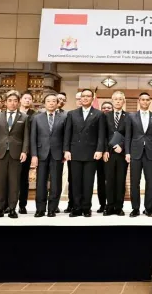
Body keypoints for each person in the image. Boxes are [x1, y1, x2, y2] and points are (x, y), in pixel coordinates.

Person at [64, 89, 106, 217]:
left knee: (88, 182)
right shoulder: (72, 114)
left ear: (92, 99)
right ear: (80, 98)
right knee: (75, 181)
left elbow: (101, 134)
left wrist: (100, 150)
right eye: (83, 96)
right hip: (75, 152)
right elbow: (67, 133)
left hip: (91, 152)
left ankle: (87, 208)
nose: (85, 98)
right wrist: (66, 150)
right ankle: (76, 208)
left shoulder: (99, 114)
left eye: (88, 96)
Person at [0, 91, 29, 219]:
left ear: (19, 102)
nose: (12, 103)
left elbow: (26, 137)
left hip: (16, 153)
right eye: (10, 100)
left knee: (14, 182)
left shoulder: (24, 117)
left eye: (15, 101)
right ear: (5, 102)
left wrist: (24, 151)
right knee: (0, 182)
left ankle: (12, 208)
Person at [125, 92, 152, 217]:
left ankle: (149, 209)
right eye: (143, 99)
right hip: (135, 152)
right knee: (134, 182)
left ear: (149, 101)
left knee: (150, 182)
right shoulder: (131, 116)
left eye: (147, 100)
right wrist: (127, 152)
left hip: (151, 153)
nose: (145, 102)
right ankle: (135, 208)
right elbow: (128, 136)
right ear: (139, 101)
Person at [30, 93, 67, 218]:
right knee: (41, 182)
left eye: (53, 101)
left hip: (57, 154)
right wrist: (34, 155)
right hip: (41, 154)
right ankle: (40, 209)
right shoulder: (37, 118)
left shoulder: (63, 117)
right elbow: (33, 137)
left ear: (57, 103)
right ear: (44, 103)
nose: (51, 103)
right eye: (48, 101)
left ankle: (52, 208)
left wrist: (65, 151)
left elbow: (66, 136)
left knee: (56, 182)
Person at [103, 92, 128, 216]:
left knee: (120, 180)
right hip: (109, 153)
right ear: (112, 101)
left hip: (122, 153)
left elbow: (130, 135)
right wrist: (104, 150)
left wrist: (122, 146)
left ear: (123, 101)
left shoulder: (129, 116)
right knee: (109, 180)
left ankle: (119, 207)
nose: (118, 101)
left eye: (120, 99)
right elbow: (102, 135)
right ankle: (109, 206)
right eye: (115, 99)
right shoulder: (105, 116)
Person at [17, 91, 36, 214]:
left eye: (29, 98)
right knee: (11, 178)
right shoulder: (14, 112)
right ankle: (8, 204)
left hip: (27, 150)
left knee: (24, 179)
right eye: (25, 98)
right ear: (20, 100)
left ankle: (22, 204)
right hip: (13, 150)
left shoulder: (35, 115)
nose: (27, 100)